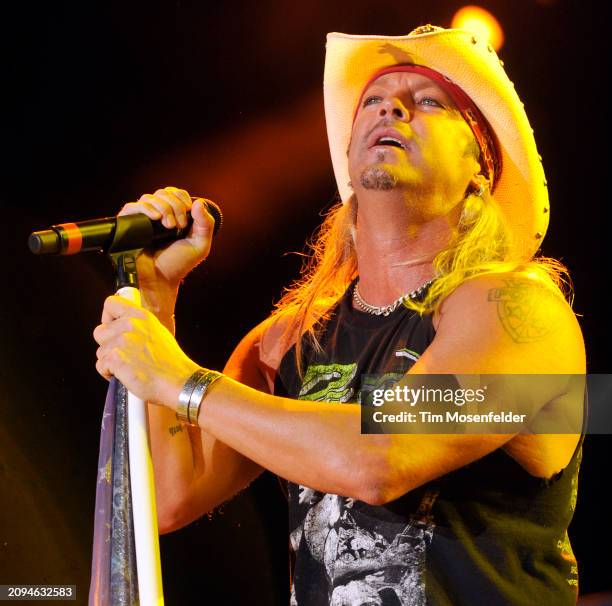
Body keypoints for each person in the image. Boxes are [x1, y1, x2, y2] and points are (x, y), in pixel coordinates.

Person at [93, 25, 586, 605]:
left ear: (481, 164)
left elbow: (379, 460)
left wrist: (184, 381)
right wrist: (155, 295)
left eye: (428, 101)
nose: (391, 108)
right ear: (349, 161)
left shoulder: (521, 309)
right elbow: (172, 498)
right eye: (373, 102)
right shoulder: (287, 340)